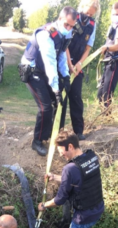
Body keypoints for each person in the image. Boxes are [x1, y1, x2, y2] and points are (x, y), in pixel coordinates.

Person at [20, 7, 78, 156]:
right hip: (33, 71)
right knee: (45, 107)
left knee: (61, 102)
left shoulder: (66, 33)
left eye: (72, 26)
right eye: (66, 25)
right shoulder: (46, 34)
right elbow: (50, 61)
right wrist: (56, 89)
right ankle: (37, 141)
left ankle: (57, 136)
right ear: (59, 19)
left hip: (46, 71)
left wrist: (65, 77)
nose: (69, 28)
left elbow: (61, 57)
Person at [60, 0, 100, 141]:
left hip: (77, 66)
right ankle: (59, 131)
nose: (87, 15)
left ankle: (78, 131)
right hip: (63, 60)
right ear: (81, 8)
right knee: (62, 98)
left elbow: (88, 49)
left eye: (90, 14)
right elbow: (65, 44)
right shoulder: (71, 19)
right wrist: (69, 64)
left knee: (76, 97)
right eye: (85, 12)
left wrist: (79, 63)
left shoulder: (92, 26)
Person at [96, 2, 118, 111]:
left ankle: (107, 119)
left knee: (107, 93)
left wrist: (106, 48)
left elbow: (116, 46)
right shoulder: (113, 26)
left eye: (117, 14)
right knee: (100, 93)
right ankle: (103, 117)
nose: (114, 16)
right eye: (113, 14)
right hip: (108, 62)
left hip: (116, 63)